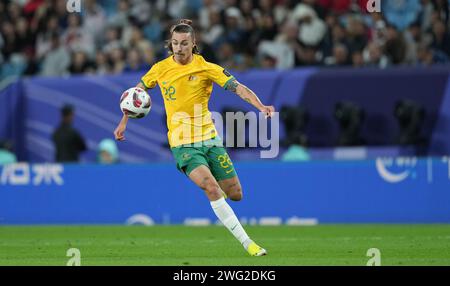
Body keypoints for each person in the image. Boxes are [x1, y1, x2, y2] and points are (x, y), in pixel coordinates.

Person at [114, 19, 275, 256]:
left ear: (193, 44)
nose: (178, 48)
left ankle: (220, 199)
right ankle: (248, 243)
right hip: (182, 143)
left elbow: (238, 87)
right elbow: (136, 94)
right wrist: (124, 121)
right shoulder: (159, 68)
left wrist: (260, 105)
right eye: (175, 43)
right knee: (211, 187)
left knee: (235, 194)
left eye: (184, 44)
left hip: (209, 139)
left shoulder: (206, 68)